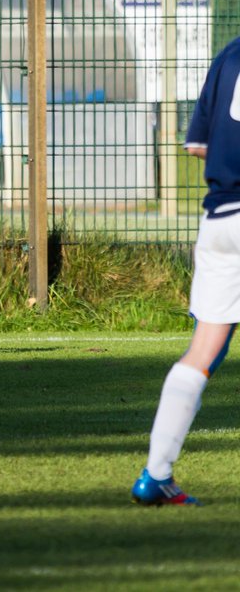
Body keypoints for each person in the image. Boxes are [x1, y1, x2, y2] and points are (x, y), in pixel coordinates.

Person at [130, 36, 240, 506]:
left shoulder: (230, 55)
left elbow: (197, 145)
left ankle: (156, 474)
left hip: (221, 221)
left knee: (201, 353)